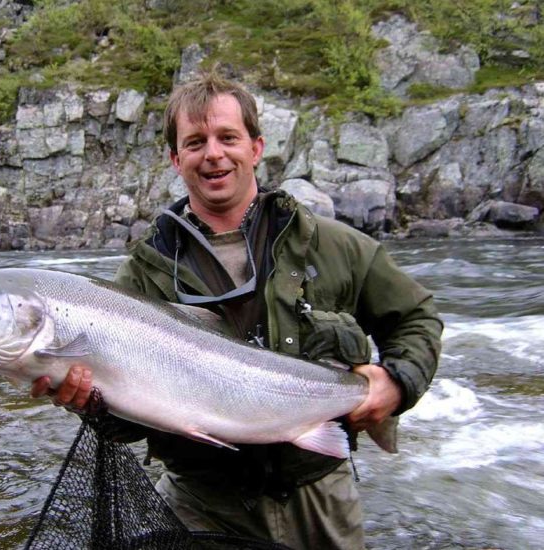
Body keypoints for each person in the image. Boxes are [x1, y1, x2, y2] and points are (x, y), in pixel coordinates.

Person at [31, 74, 443, 549]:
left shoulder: (334, 246)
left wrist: (398, 382)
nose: (213, 154)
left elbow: (416, 317)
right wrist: (89, 401)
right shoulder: (141, 277)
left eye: (228, 137)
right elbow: (125, 424)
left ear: (256, 147)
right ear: (175, 159)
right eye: (195, 142)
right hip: (200, 503)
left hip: (319, 498)